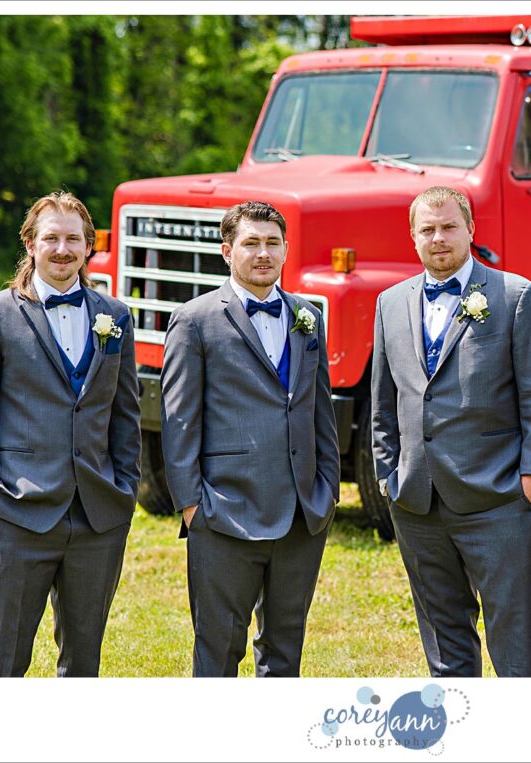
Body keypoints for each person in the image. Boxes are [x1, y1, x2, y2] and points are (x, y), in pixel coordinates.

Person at [371, 186, 531, 677]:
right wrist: (388, 475)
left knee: (514, 636)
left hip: (497, 495)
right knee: (442, 635)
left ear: (471, 230)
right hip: (416, 500)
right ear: (413, 237)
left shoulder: (516, 296)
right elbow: (384, 400)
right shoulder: (390, 303)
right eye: (428, 229)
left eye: (449, 226)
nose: (439, 238)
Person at [0, 191, 140, 677]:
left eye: (73, 239)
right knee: (7, 658)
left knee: (84, 661)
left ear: (88, 246)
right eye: (51, 238)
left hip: (98, 516)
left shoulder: (114, 316)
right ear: (31, 244)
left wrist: (123, 493)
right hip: (19, 510)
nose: (63, 249)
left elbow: (125, 415)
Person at [161, 200, 338, 677]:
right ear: (227, 251)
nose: (263, 253)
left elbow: (319, 409)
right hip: (225, 512)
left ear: (285, 249)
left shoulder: (307, 316)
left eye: (272, 243)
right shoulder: (195, 320)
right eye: (251, 243)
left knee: (286, 651)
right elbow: (179, 419)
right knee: (218, 652)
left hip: (302, 513)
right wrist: (191, 504)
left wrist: (327, 488)